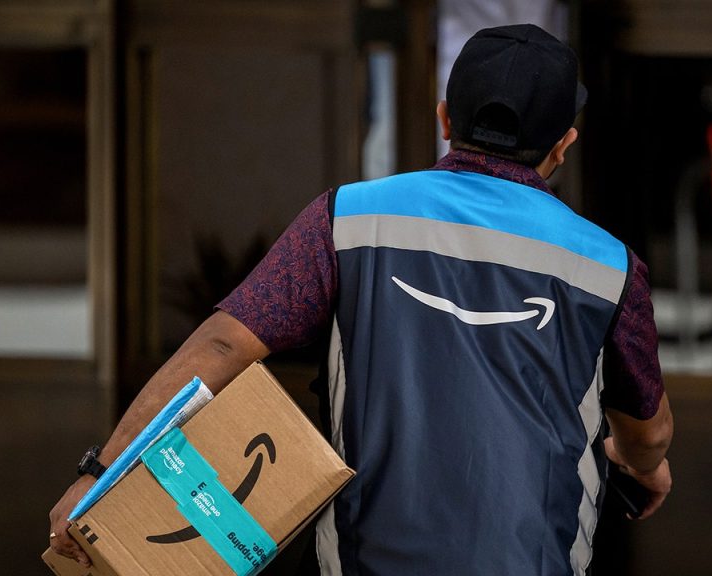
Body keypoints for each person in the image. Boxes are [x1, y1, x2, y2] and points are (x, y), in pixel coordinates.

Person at [49, 23, 672, 576]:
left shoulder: (347, 219)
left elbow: (220, 346)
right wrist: (639, 461)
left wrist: (99, 478)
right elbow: (650, 432)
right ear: (563, 145)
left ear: (445, 119)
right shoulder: (608, 267)